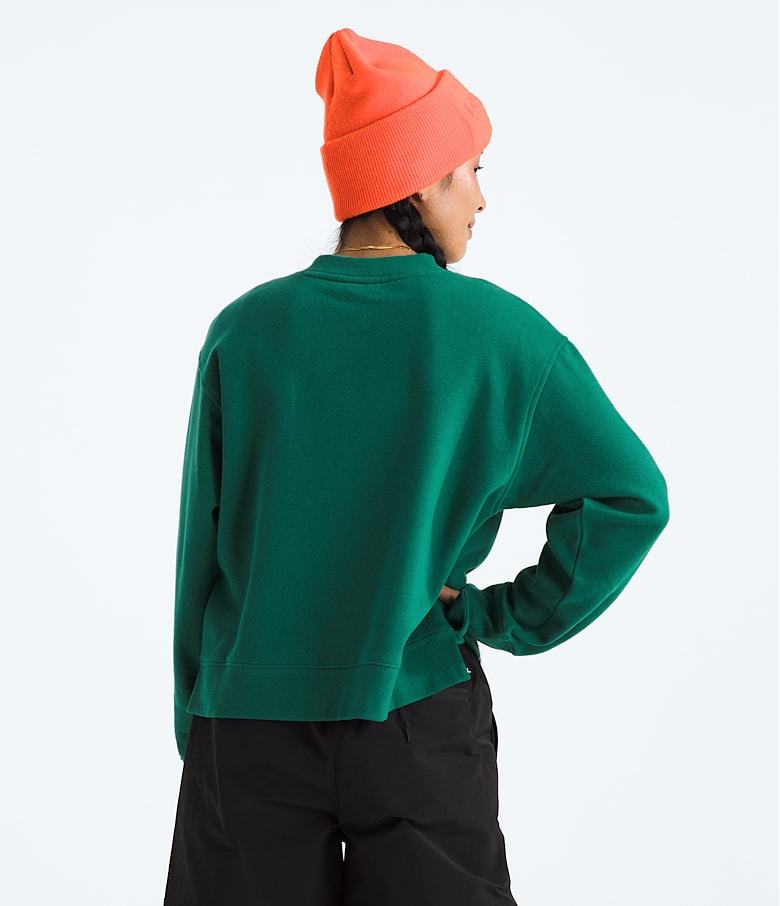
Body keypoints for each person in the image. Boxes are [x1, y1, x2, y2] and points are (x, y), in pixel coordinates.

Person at [164, 27, 670, 906]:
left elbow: (198, 554)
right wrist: (495, 616)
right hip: (416, 715)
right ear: (421, 179)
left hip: (246, 724)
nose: (482, 198)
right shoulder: (500, 335)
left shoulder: (245, 333)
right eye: (471, 169)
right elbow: (632, 496)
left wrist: (198, 723)